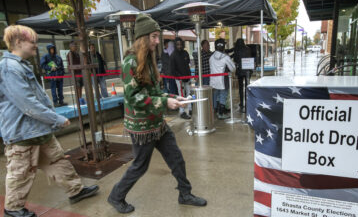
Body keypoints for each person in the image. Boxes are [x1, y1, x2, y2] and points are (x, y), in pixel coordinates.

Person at [107, 14, 206, 214]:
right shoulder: (130, 62)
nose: (157, 41)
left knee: (176, 158)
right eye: (153, 36)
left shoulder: (148, 60)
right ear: (142, 37)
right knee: (140, 166)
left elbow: (152, 93)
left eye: (157, 36)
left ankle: (185, 194)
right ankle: (116, 196)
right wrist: (164, 102)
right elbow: (133, 97)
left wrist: (173, 97)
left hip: (157, 123)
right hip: (142, 127)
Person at [0, 25, 99, 217]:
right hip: (23, 132)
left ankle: (75, 190)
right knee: (21, 172)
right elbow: (27, 103)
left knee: (58, 161)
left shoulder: (19, 65)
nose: (36, 45)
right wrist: (56, 119)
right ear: (18, 42)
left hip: (37, 129)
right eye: (32, 41)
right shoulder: (9, 68)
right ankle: (13, 208)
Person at [210, 39, 236, 119]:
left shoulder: (211, 57)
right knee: (223, 96)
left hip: (214, 81)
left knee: (217, 96)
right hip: (223, 80)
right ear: (223, 46)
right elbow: (233, 68)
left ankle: (218, 111)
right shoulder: (225, 57)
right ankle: (221, 114)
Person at [170, 37, 192, 119]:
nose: (179, 46)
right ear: (175, 45)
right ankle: (182, 111)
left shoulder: (185, 53)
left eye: (180, 44)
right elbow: (173, 70)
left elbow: (187, 64)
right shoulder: (173, 55)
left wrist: (188, 75)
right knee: (181, 95)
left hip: (187, 77)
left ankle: (190, 109)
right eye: (177, 45)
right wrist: (179, 76)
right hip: (179, 79)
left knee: (189, 93)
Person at [232, 38, 251, 113]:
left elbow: (235, 59)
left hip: (240, 71)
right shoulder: (248, 49)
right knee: (247, 87)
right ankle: (247, 102)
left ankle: (241, 103)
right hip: (247, 71)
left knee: (240, 88)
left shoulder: (237, 49)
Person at [67, 41, 85, 105]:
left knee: (80, 86)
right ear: (71, 47)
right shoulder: (70, 54)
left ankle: (80, 98)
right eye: (74, 46)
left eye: (76, 45)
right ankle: (78, 99)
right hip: (75, 73)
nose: (76, 47)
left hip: (80, 72)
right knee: (77, 87)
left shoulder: (77, 54)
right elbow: (71, 64)